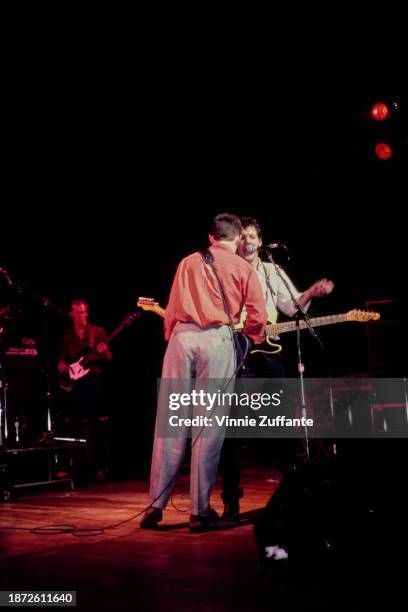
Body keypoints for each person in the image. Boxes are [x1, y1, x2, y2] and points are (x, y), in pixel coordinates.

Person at [140, 213, 267, 532]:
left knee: (170, 423)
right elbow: (258, 316)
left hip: (181, 338)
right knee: (208, 428)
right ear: (238, 238)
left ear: (211, 237)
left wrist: (176, 337)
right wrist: (249, 340)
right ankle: (199, 512)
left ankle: (154, 508)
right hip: (217, 340)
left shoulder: (187, 261)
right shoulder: (242, 266)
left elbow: (171, 309)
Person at [220, 216, 334, 523]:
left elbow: (291, 306)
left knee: (280, 422)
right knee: (232, 430)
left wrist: (312, 291)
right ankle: (231, 498)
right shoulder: (224, 269)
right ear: (236, 241)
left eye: (253, 236)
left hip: (268, 355)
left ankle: (294, 488)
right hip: (236, 355)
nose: (249, 241)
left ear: (260, 240)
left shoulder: (271, 270)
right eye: (243, 237)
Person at [57, 300, 112, 482]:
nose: (82, 316)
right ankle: (78, 468)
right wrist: (63, 366)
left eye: (84, 313)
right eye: (78, 313)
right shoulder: (67, 337)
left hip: (92, 382)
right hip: (75, 386)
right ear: (72, 314)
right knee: (75, 424)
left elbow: (108, 357)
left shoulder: (97, 332)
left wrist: (103, 352)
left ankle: (100, 467)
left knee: (95, 425)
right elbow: (62, 361)